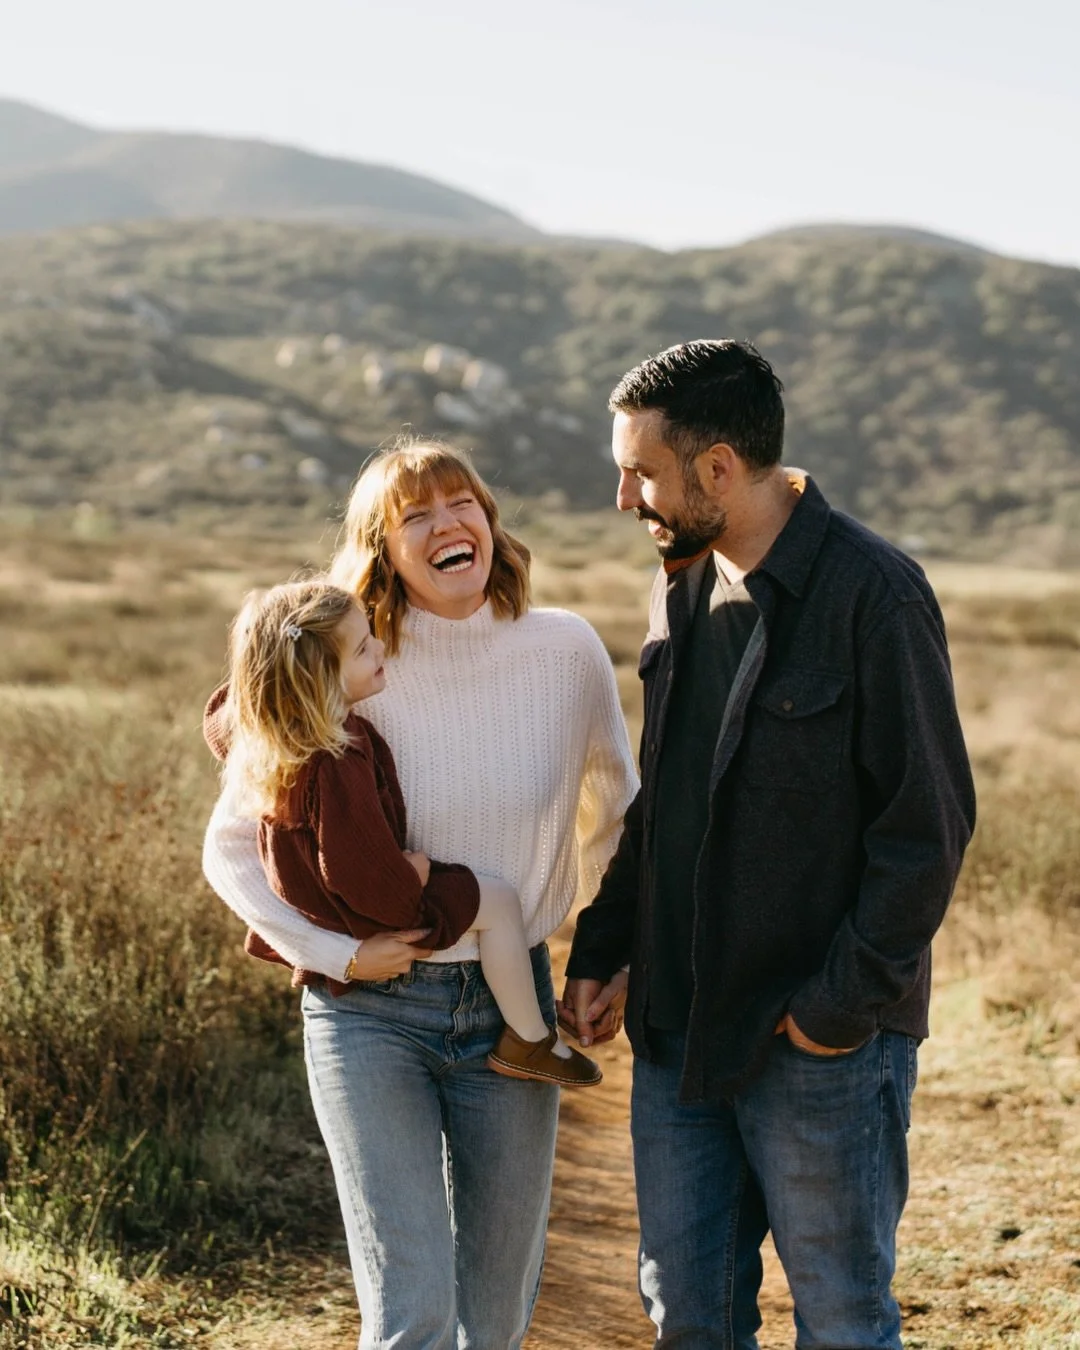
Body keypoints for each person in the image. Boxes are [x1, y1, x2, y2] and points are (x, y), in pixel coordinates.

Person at [559, 340, 976, 1349]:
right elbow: (664, 803)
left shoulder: (875, 594)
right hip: (675, 1036)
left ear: (715, 470)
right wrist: (607, 950)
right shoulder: (680, 587)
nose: (624, 497)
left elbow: (927, 828)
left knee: (841, 1317)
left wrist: (836, 1010)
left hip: (817, 1049)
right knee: (690, 1319)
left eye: (640, 470)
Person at [201, 441, 637, 1350]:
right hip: (368, 1015)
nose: (448, 524)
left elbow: (617, 821)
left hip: (512, 1014)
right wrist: (336, 955)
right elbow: (231, 849)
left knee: (494, 1315)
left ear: (489, 520)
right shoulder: (337, 663)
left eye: (462, 502)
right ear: (380, 549)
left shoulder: (564, 651)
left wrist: (608, 955)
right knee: (413, 1316)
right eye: (415, 515)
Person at [212, 577, 601, 1087]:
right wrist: (412, 875)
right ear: (319, 678)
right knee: (498, 902)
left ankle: (527, 1028)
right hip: (375, 916)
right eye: (361, 648)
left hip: (339, 913)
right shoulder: (340, 759)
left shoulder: (284, 748)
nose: (379, 649)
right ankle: (529, 1036)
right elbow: (363, 873)